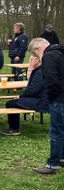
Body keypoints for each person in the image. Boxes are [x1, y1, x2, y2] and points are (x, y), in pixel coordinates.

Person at [1, 38, 49, 136]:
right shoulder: (44, 68)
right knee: (15, 101)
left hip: (42, 102)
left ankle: (14, 128)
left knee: (10, 103)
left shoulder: (40, 71)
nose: (30, 60)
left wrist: (21, 96)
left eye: (33, 57)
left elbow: (32, 90)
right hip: (44, 99)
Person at [33, 38, 64, 175]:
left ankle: (52, 165)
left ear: (37, 49)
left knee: (56, 131)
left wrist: (51, 98)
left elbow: (51, 80)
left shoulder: (49, 56)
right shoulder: (60, 53)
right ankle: (61, 157)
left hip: (59, 98)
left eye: (34, 54)